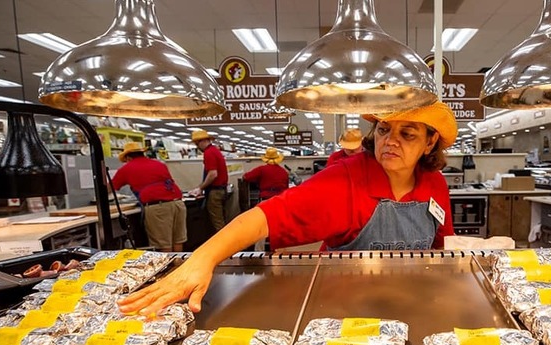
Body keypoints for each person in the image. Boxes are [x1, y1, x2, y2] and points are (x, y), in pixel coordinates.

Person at [118, 101, 457, 315]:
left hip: (411, 304)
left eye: (407, 134)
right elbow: (264, 217)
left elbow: (441, 251)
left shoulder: (435, 184)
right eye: (384, 129)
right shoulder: (346, 179)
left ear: (430, 143)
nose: (390, 141)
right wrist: (202, 259)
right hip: (344, 307)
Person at [111, 142, 187, 252]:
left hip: (158, 208)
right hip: (178, 203)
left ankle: (170, 269)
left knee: (163, 243)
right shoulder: (159, 164)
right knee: (177, 240)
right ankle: (180, 266)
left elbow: (111, 187)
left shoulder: (127, 168)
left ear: (128, 157)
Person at [188, 130, 229, 231]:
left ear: (202, 141)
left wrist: (200, 188)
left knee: (217, 222)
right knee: (221, 219)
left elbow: (212, 174)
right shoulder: (215, 151)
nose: (197, 147)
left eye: (197, 144)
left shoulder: (209, 153)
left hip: (215, 192)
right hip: (221, 190)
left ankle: (222, 244)